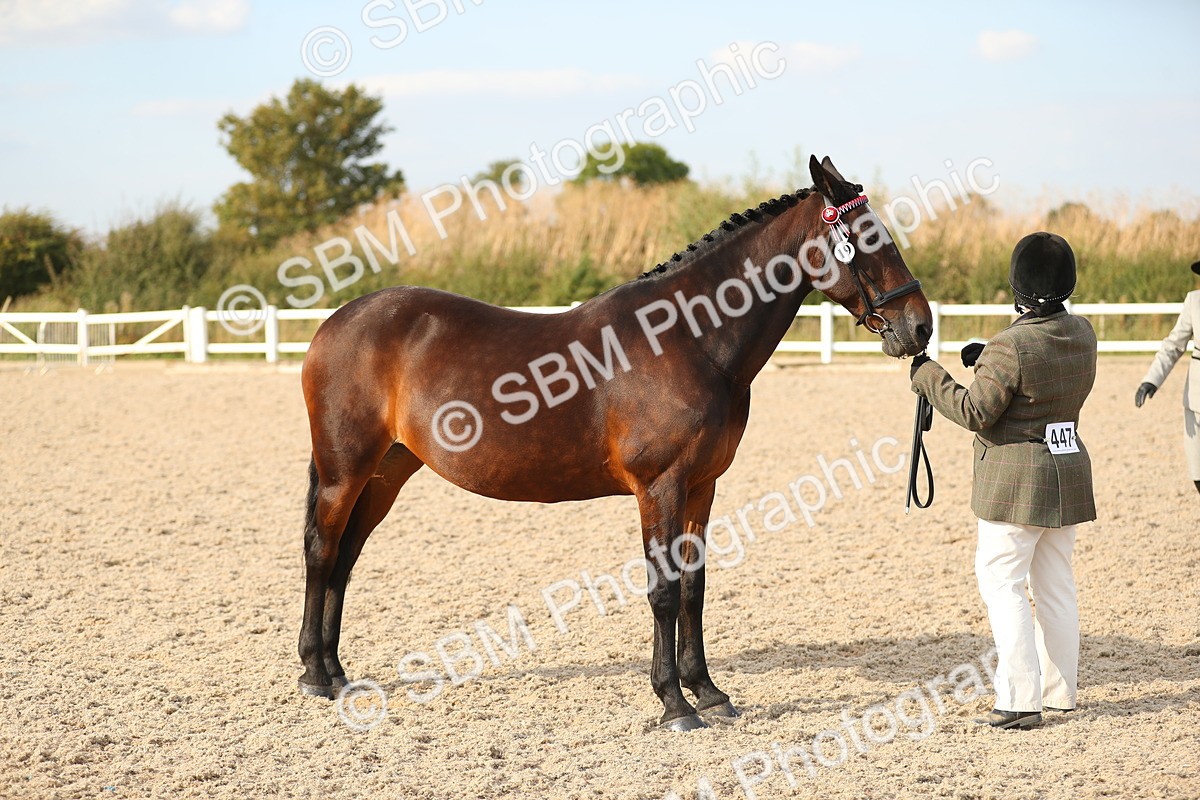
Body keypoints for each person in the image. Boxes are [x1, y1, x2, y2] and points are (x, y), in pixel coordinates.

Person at [909, 232, 1097, 730]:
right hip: (1065, 474)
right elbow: (1039, 370)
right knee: (1056, 586)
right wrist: (986, 357)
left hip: (1017, 483)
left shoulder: (1011, 347)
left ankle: (1018, 698)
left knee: (1003, 584)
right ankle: (1059, 692)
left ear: (1017, 285)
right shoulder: (1083, 333)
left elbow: (976, 411)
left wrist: (928, 375)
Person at [1134, 261, 1200, 496]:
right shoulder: (1194, 301)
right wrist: (1152, 379)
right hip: (1196, 400)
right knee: (1197, 471)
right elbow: (1173, 345)